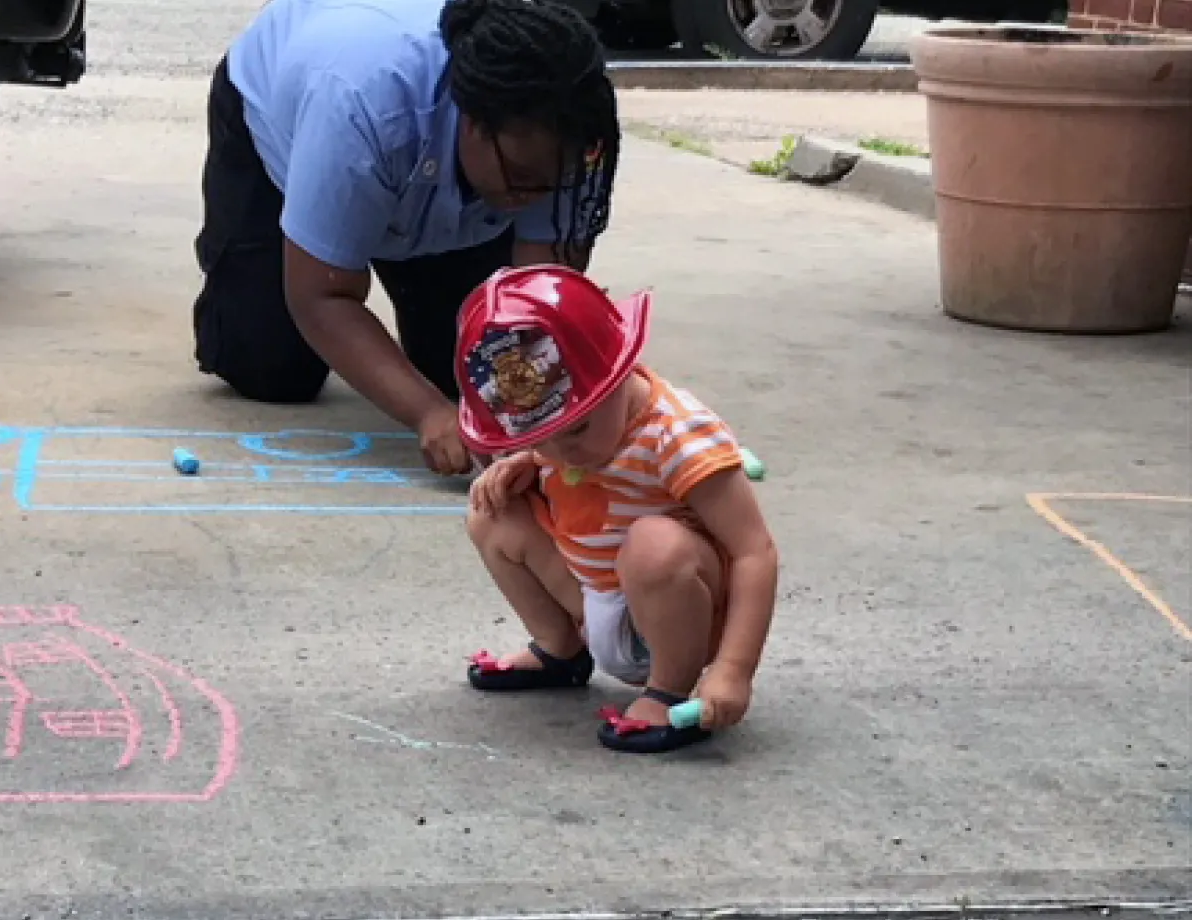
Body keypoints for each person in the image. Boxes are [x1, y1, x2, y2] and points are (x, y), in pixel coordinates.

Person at [190, 0, 621, 476]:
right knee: (270, 369)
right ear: (474, 122)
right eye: (521, 178)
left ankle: (402, 255)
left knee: (470, 374)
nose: (534, 197)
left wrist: (536, 419)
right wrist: (428, 414)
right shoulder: (359, 100)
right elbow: (319, 294)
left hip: (415, 166)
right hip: (287, 113)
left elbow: (540, 298)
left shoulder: (580, 130)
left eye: (551, 184)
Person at [456, 265, 780, 754]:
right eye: (537, 436)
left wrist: (733, 672)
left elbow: (755, 552)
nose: (563, 454)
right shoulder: (566, 437)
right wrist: (526, 459)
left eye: (575, 431)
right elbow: (558, 445)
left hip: (670, 618)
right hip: (593, 598)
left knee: (654, 544)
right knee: (492, 507)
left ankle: (668, 688)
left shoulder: (678, 434)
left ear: (620, 372)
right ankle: (560, 647)